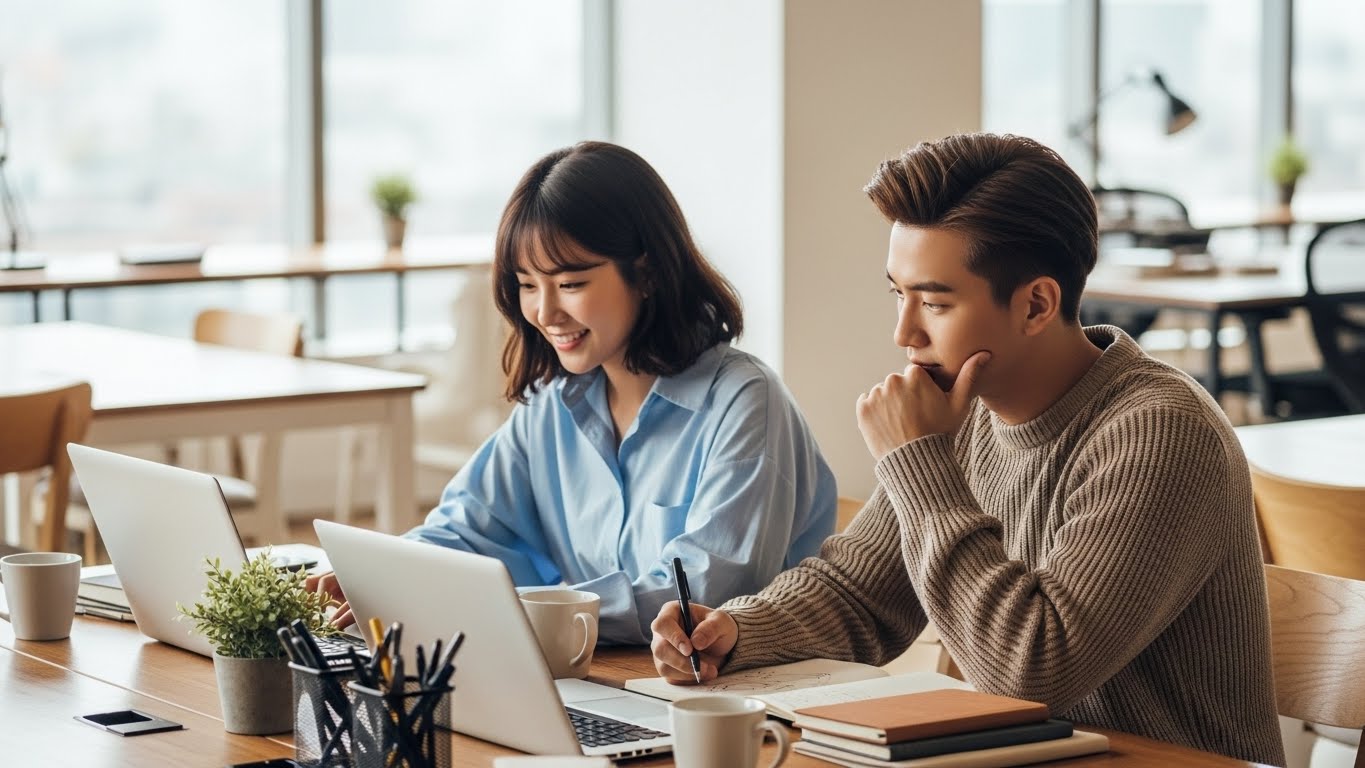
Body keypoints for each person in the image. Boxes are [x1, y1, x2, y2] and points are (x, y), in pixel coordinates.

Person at [648, 133, 1284, 765]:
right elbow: (860, 593)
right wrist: (736, 631)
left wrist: (918, 460)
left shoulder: (1159, 432)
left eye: (934, 302)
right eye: (898, 294)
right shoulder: (966, 410)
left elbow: (1030, 671)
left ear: (1037, 303)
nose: (904, 332)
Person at [313, 141, 836, 645]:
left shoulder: (744, 401)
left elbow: (701, 596)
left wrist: (525, 611)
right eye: (526, 284)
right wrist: (386, 576)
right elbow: (468, 528)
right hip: (601, 678)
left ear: (648, 271)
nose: (544, 312)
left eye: (570, 284)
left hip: (734, 703)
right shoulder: (553, 403)